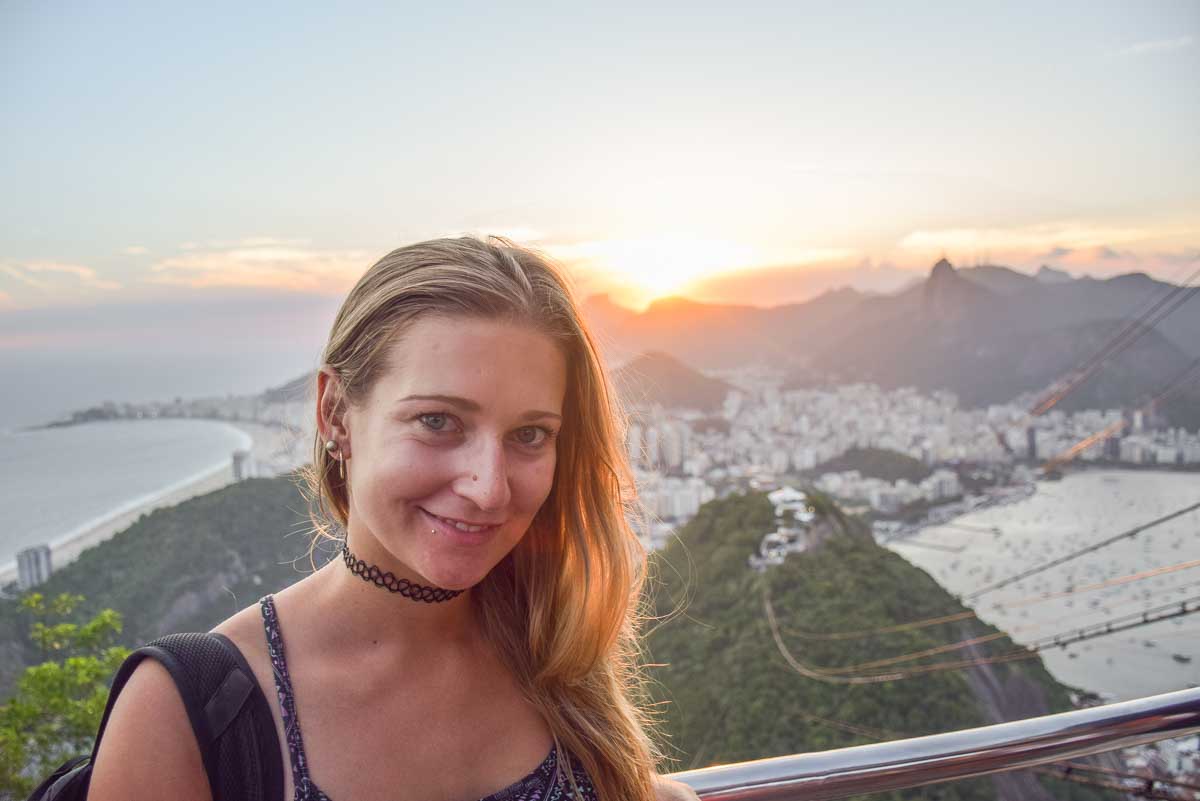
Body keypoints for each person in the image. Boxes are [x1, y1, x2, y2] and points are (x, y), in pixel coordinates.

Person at [87, 236, 700, 801]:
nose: (489, 489)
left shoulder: (552, 650)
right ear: (335, 414)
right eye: (437, 421)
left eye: (530, 434)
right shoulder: (191, 711)